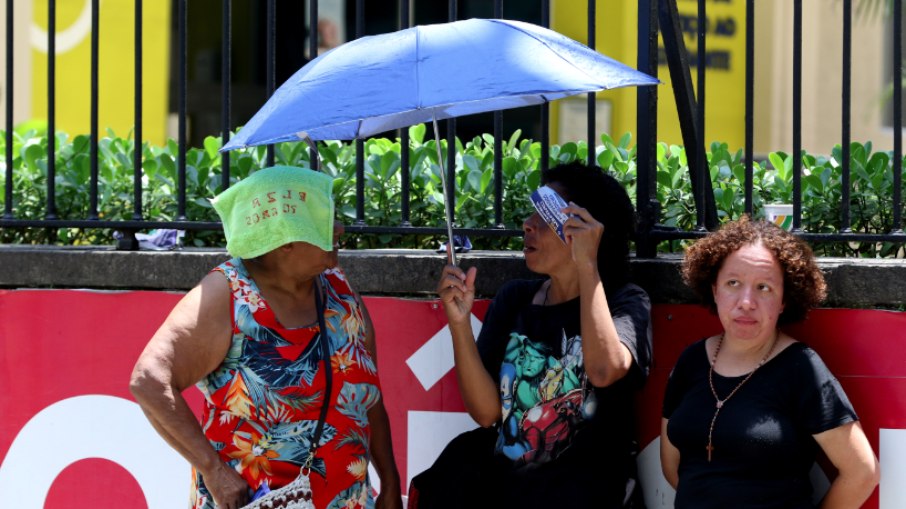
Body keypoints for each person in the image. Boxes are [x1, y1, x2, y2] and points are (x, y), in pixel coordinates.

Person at [130, 166, 402, 509]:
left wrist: (390, 481)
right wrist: (213, 471)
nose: (339, 228)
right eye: (325, 219)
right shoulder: (227, 294)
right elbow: (149, 380)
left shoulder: (338, 288)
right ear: (285, 240)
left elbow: (368, 395)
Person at [410, 162, 652, 508]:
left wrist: (587, 265)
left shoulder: (626, 300)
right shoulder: (515, 298)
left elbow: (603, 372)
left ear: (589, 229)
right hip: (508, 495)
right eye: (530, 212)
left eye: (545, 214)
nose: (527, 225)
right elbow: (487, 413)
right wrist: (459, 323)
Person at [660, 216, 880, 508]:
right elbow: (674, 469)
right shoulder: (691, 361)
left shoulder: (801, 368)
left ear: (784, 300)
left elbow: (862, 472)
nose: (746, 301)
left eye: (764, 287)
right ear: (715, 289)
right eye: (733, 283)